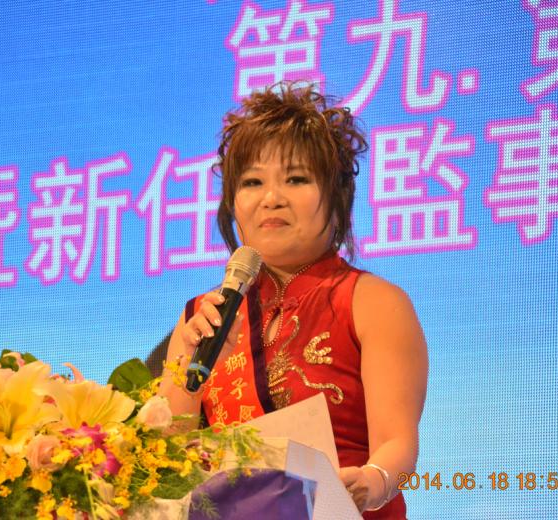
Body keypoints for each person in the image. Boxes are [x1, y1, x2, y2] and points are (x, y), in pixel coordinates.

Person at [158, 82, 428, 519]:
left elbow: (397, 442)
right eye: (252, 182)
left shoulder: (373, 301)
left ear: (337, 196)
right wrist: (185, 363)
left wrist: (374, 481)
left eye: (296, 179)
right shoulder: (202, 315)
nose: (271, 198)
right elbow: (165, 458)